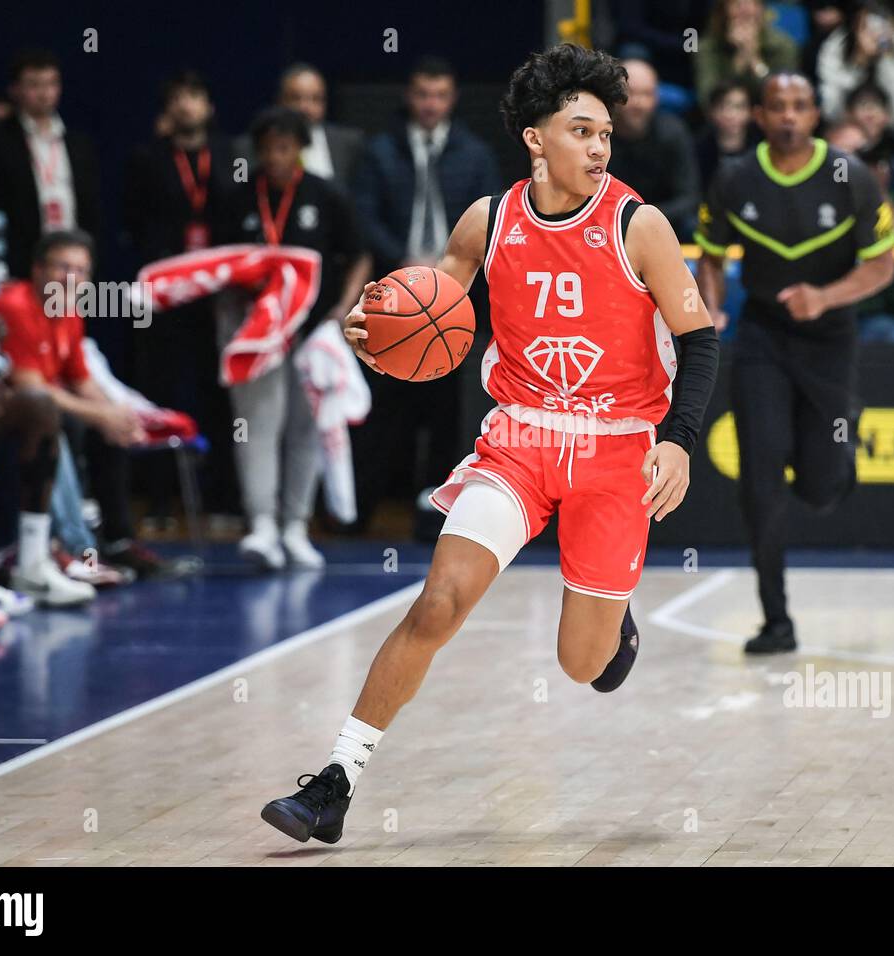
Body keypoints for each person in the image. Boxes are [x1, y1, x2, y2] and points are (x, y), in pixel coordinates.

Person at [259, 43, 720, 844]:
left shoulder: (638, 225)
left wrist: (678, 442)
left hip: (617, 449)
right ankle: (333, 783)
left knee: (583, 665)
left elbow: (701, 340)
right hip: (522, 439)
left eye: (606, 133)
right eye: (581, 130)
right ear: (535, 139)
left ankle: (614, 632)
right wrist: (378, 336)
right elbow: (429, 314)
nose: (599, 147)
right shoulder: (488, 219)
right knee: (438, 602)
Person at [694, 71, 894, 653]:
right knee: (760, 478)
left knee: (821, 487)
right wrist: (711, 307)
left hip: (830, 336)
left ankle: (839, 453)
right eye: (776, 106)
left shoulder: (849, 175)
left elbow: (882, 266)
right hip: (762, 335)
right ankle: (776, 620)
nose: (787, 116)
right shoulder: (734, 177)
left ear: (815, 114)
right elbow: (709, 255)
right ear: (758, 115)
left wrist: (824, 297)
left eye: (800, 106)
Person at [350, 57, 502, 531]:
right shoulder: (379, 152)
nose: (430, 103)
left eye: (439, 94)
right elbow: (364, 216)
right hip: (394, 299)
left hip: (455, 306)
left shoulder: (475, 155)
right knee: (384, 417)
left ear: (452, 98)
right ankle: (358, 519)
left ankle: (435, 520)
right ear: (409, 96)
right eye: (422, 94)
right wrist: (406, 271)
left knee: (447, 421)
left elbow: (491, 227)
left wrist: (442, 283)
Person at [219, 107, 371, 569]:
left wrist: (339, 316)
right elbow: (220, 266)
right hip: (258, 333)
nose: (276, 157)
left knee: (308, 427)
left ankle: (295, 525)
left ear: (300, 149)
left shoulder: (326, 196)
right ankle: (262, 525)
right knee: (257, 428)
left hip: (312, 332)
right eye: (267, 149)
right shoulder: (240, 198)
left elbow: (360, 257)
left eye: (285, 148)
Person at [0, 229, 181, 580]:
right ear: (37, 270)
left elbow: (81, 381)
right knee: (60, 425)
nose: (72, 278)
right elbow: (33, 390)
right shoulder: (15, 306)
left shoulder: (69, 310)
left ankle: (117, 540)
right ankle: (72, 549)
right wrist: (100, 414)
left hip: (40, 412)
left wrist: (117, 415)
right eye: (62, 267)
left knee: (107, 427)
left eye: (81, 271)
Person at [125, 70, 241, 526]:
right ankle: (157, 501)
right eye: (178, 98)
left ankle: (221, 502)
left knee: (220, 398)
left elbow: (238, 218)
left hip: (218, 297)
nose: (186, 105)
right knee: (160, 393)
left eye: (194, 96)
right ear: (167, 110)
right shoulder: (147, 158)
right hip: (166, 300)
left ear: (208, 106)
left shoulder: (231, 155)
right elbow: (133, 225)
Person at [0, 49, 102, 279]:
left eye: (51, 84)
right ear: (15, 90)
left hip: (72, 268)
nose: (44, 93)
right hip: (18, 268)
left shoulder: (79, 145)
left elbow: (91, 211)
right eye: (34, 85)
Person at [608, 58, 702, 240]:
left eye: (647, 94)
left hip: (663, 223)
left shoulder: (673, 132)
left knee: (692, 224)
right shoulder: (598, 135)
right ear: (613, 96)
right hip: (608, 222)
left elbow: (690, 198)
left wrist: (642, 218)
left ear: (657, 97)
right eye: (631, 93)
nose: (639, 103)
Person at [817, 1, 894, 136]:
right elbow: (831, 111)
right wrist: (858, 64)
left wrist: (887, 61)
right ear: (855, 25)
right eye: (868, 24)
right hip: (847, 131)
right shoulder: (834, 49)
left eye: (883, 22)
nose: (876, 31)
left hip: (893, 131)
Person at [693, 0, 801, 104]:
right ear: (724, 10)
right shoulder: (707, 47)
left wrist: (754, 60)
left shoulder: (783, 45)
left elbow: (784, 97)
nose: (745, 10)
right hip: (724, 119)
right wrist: (739, 60)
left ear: (761, 9)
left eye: (751, 3)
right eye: (737, 4)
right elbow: (707, 99)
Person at [277, 63, 365, 185]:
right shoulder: (249, 147)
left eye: (316, 99)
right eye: (297, 98)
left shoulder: (350, 143)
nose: (305, 108)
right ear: (281, 101)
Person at [695, 78, 763, 192]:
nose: (731, 115)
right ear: (711, 112)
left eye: (739, 107)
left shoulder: (761, 145)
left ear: (751, 112)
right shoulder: (699, 147)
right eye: (723, 106)